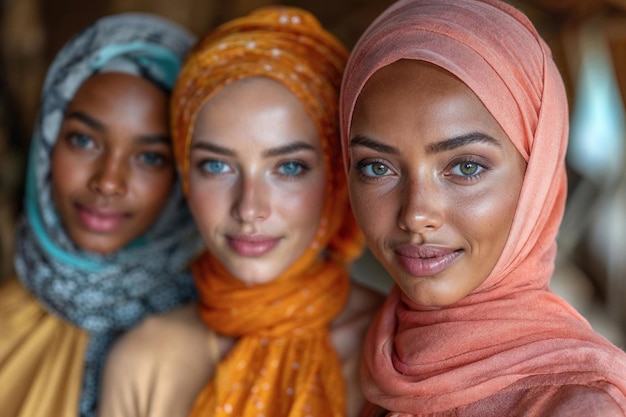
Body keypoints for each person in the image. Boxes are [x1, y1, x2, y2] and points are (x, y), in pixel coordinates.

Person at [339, 0, 626, 415]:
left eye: (465, 167)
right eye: (377, 167)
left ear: (537, 176)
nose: (416, 215)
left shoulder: (572, 404)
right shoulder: (372, 363)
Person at [98, 6, 385, 417]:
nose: (249, 208)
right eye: (216, 166)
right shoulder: (143, 361)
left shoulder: (396, 352)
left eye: (289, 168)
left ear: (336, 176)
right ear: (185, 173)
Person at [0, 13, 202, 417]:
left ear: (183, 173)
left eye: (150, 157)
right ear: (47, 143)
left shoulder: (222, 336)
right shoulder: (5, 323)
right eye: (84, 140)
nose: (109, 182)